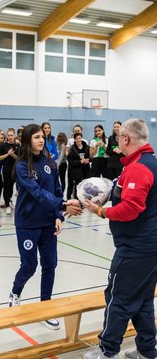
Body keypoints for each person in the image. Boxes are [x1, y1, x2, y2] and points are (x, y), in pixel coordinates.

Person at [84, 118, 157, 359]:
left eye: (119, 138)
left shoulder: (139, 167)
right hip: (147, 249)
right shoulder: (144, 162)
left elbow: (130, 208)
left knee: (118, 300)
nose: (118, 142)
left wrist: (101, 212)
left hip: (136, 250)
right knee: (143, 300)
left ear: (125, 139)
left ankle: (107, 352)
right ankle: (147, 351)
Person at [8, 124, 82, 330]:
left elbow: (57, 189)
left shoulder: (50, 161)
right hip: (28, 224)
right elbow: (37, 193)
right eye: (36, 137)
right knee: (29, 266)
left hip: (48, 223)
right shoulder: (22, 166)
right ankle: (15, 292)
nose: (41, 140)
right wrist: (64, 205)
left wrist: (59, 215)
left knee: (50, 265)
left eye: (42, 136)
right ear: (27, 140)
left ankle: (45, 307)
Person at [0, 128, 20, 215]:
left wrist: (12, 154)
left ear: (14, 136)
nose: (10, 137)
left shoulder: (18, 146)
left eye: (11, 135)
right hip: (6, 169)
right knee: (6, 186)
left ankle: (10, 200)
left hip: (15, 169)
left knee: (12, 185)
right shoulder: (3, 146)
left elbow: (19, 158)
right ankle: (7, 206)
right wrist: (7, 154)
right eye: (9, 135)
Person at [67, 132, 90, 200]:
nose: (78, 140)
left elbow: (90, 157)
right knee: (76, 185)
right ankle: (74, 199)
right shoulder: (72, 149)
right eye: (76, 138)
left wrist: (88, 160)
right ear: (74, 140)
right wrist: (79, 162)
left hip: (85, 169)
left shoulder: (87, 147)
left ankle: (85, 199)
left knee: (86, 185)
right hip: (75, 171)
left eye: (79, 138)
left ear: (81, 138)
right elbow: (70, 161)